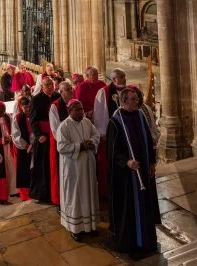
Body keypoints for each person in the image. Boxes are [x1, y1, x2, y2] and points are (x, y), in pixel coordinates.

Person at [106, 89, 160, 259]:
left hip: (144, 171)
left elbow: (149, 142)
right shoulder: (115, 122)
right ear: (123, 101)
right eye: (133, 100)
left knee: (146, 205)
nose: (136, 102)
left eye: (137, 99)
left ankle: (148, 241)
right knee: (131, 209)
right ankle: (133, 243)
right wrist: (127, 162)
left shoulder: (140, 115)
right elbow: (112, 152)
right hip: (128, 177)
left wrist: (151, 162)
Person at [56, 99, 100, 242]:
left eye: (82, 109)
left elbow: (96, 135)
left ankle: (91, 225)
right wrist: (80, 146)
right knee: (75, 196)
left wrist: (92, 142)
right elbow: (61, 147)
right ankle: (76, 228)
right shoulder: (64, 126)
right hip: (73, 169)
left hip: (87, 167)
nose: (82, 112)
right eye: (78, 110)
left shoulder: (86, 122)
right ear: (70, 111)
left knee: (90, 193)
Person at [93, 68, 134, 198]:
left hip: (128, 133)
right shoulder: (103, 92)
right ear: (114, 79)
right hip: (112, 134)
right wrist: (103, 133)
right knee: (112, 161)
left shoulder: (129, 91)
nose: (124, 79)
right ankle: (110, 191)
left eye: (124, 76)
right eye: (121, 77)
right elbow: (100, 113)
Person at [29, 77, 61, 202]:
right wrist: (38, 135)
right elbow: (33, 121)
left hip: (57, 136)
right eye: (47, 85)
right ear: (42, 87)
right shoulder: (36, 99)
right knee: (43, 166)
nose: (50, 87)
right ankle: (42, 194)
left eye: (51, 85)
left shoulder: (58, 96)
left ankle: (57, 192)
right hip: (43, 138)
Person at [48, 81, 74, 207]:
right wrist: (67, 142)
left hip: (75, 144)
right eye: (67, 89)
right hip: (61, 144)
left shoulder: (75, 103)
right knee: (60, 173)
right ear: (61, 92)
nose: (71, 91)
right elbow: (55, 128)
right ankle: (61, 201)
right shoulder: (55, 106)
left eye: (71, 88)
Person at [12, 97, 34, 201]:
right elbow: (16, 135)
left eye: (29, 106)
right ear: (21, 107)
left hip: (35, 147)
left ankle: (35, 191)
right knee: (24, 171)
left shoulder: (34, 115)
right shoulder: (17, 118)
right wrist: (28, 146)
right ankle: (25, 195)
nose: (27, 109)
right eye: (25, 107)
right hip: (24, 149)